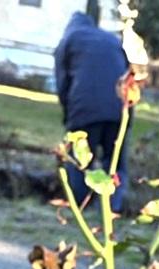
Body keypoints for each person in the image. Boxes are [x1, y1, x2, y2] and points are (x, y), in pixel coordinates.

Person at [53, 9, 131, 212]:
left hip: (84, 110)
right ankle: (111, 209)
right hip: (119, 109)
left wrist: (67, 113)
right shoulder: (111, 40)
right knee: (115, 163)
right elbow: (126, 75)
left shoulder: (69, 40)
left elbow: (62, 82)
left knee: (80, 161)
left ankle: (78, 205)